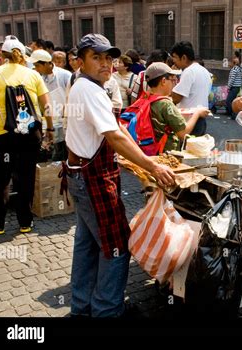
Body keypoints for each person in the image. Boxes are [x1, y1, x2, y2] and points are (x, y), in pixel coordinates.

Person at [64, 34, 175, 318]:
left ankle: (82, 307)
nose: (105, 64)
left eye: (108, 58)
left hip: (82, 174)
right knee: (116, 245)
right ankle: (107, 310)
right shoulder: (88, 89)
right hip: (93, 178)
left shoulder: (90, 86)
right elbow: (113, 134)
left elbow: (117, 127)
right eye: (96, 58)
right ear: (80, 61)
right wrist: (153, 168)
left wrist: (143, 158)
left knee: (87, 245)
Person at [0, 35, 53, 235]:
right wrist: (49, 130)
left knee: (1, 178)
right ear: (22, 55)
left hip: (4, 133)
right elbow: (48, 107)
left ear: (3, 54)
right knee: (26, 177)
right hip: (30, 134)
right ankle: (25, 222)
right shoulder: (33, 75)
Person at [145, 62, 210, 151]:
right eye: (172, 80)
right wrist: (197, 113)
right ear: (163, 81)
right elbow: (183, 133)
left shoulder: (145, 98)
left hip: (149, 149)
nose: (174, 84)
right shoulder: (165, 104)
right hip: (165, 153)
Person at [28, 49, 72, 161]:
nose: (36, 69)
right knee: (53, 156)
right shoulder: (40, 78)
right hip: (51, 121)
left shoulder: (65, 76)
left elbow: (73, 99)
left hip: (66, 120)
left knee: (64, 154)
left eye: (38, 66)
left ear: (47, 64)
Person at [170, 41, 212, 136]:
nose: (173, 61)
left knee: (187, 149)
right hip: (200, 120)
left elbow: (176, 98)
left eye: (175, 57)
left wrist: (171, 79)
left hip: (190, 121)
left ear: (184, 57)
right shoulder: (204, 70)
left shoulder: (189, 71)